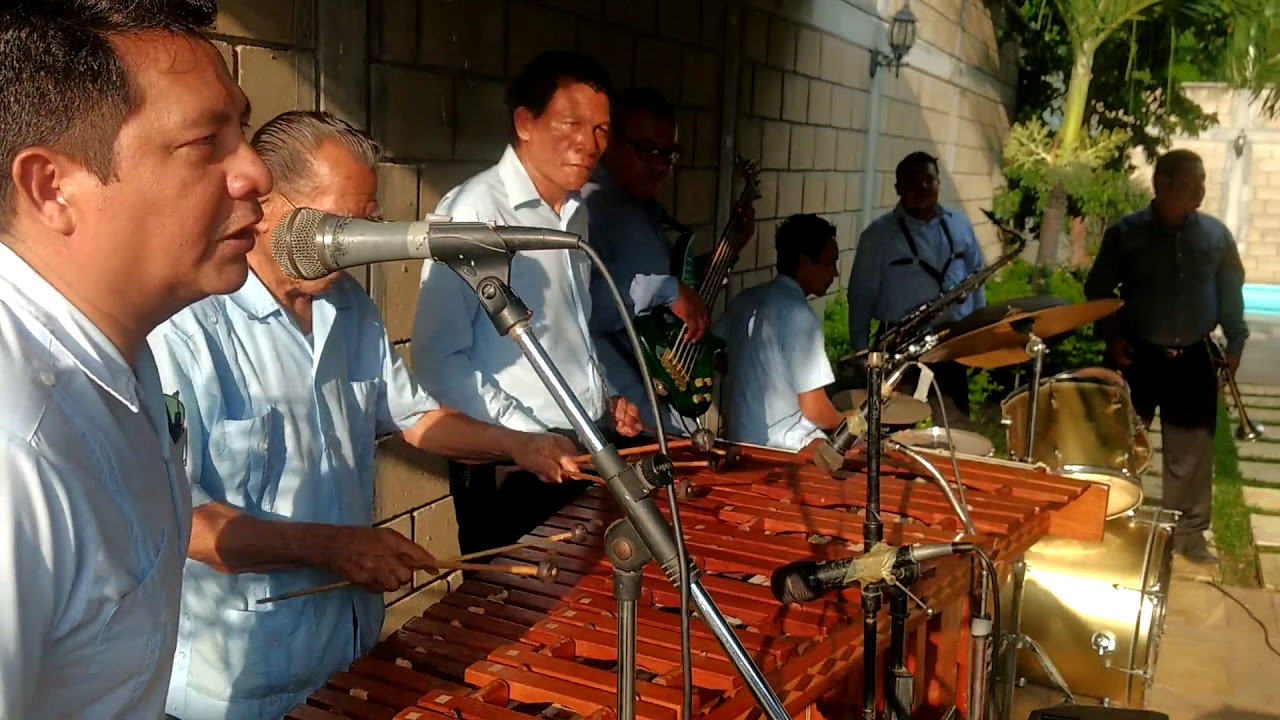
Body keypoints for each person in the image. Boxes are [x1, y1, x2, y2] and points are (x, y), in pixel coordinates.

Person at [148, 111, 581, 719]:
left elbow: (414, 418)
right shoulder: (188, 328)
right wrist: (331, 547)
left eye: (364, 223)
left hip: (346, 649)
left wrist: (516, 444)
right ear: (267, 204)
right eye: (339, 222)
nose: (352, 244)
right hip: (237, 682)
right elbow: (181, 522)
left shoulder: (351, 308)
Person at [0, 1, 272, 716]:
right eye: (204, 144)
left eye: (240, 130)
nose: (256, 174)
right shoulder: (15, 448)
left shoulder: (118, 350)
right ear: (51, 188)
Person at [412, 51, 643, 556]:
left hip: (580, 451)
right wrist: (524, 435)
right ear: (525, 123)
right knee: (520, 621)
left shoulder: (575, 211)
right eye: (572, 124)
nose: (589, 143)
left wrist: (601, 398)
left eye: (602, 129)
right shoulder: (474, 211)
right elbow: (437, 361)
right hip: (512, 470)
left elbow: (568, 331)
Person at [1084, 148, 1247, 566]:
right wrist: (1112, 336)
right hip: (1136, 356)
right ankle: (1115, 522)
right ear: (1162, 183)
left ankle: (1189, 535)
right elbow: (1099, 289)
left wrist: (1236, 343)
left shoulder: (1215, 236)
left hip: (1194, 356)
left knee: (1192, 452)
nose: (1200, 190)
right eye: (1191, 182)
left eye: (1203, 182)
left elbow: (1230, 292)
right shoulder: (1127, 233)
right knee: (1122, 446)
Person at [582, 87, 753, 434]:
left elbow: (673, 299)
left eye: (670, 154)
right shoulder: (591, 210)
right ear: (611, 140)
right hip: (621, 419)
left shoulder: (641, 209)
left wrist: (729, 249)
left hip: (657, 411)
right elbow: (584, 309)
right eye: (647, 151)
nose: (660, 165)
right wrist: (668, 290)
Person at [846, 151, 987, 427]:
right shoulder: (878, 236)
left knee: (955, 426)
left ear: (938, 182)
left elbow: (977, 279)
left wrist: (980, 335)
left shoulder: (959, 224)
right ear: (898, 189)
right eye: (914, 182)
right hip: (899, 343)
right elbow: (860, 296)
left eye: (929, 179)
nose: (923, 187)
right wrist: (862, 354)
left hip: (951, 341)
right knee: (893, 425)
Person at [717, 214, 844, 451]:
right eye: (830, 263)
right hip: (785, 453)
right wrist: (851, 424)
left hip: (737, 442)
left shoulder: (744, 300)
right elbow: (815, 409)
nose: (834, 274)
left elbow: (716, 355)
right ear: (805, 262)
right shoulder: (800, 316)